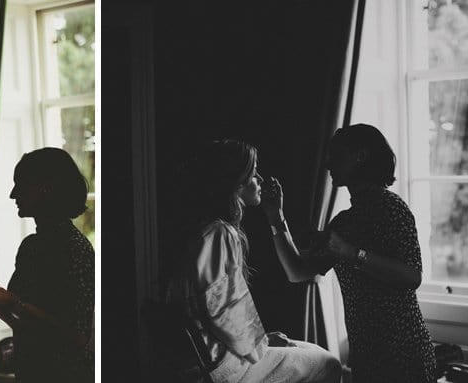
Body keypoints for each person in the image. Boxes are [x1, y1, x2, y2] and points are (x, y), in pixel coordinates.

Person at [262, 124, 437, 382]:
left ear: (359, 157)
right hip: (366, 355)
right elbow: (297, 272)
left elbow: (412, 277)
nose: (327, 164)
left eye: (336, 155)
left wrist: (353, 254)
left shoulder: (392, 208)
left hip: (403, 352)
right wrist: (276, 218)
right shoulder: (344, 222)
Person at [164, 139, 341, 383]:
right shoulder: (220, 233)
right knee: (328, 363)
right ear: (235, 182)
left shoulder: (205, 231)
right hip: (224, 366)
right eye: (253, 172)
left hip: (216, 354)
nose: (259, 178)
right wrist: (259, 345)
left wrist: (263, 339)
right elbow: (220, 305)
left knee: (307, 350)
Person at [0, 147, 94, 382]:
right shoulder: (31, 246)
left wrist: (11, 300)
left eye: (20, 185)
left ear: (46, 188)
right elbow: (23, 325)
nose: (13, 194)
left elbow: (79, 337)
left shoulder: (75, 249)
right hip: (31, 371)